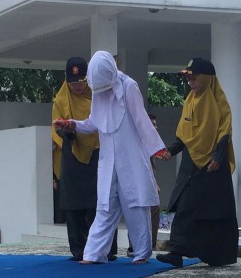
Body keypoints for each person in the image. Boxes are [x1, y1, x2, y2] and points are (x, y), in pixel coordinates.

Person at [54, 51, 164, 264]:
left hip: (130, 158)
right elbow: (94, 122)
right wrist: (72, 124)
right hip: (108, 160)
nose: (102, 94)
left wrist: (156, 148)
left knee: (136, 205)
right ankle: (94, 254)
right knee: (104, 206)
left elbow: (142, 120)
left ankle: (142, 253)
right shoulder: (97, 89)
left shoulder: (129, 86)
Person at [156, 57, 238, 268]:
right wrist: (170, 151)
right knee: (184, 207)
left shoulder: (219, 103)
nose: (191, 83)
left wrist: (218, 158)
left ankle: (217, 256)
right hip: (191, 164)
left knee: (212, 212)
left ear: (207, 78)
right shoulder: (190, 100)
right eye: (189, 79)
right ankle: (176, 252)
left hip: (212, 167)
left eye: (195, 78)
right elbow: (184, 134)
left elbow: (224, 133)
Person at [52, 56, 116, 261]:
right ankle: (79, 250)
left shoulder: (99, 96)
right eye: (72, 83)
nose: (77, 87)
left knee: (101, 204)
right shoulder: (61, 100)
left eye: (80, 82)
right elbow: (57, 129)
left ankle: (106, 249)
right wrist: (68, 132)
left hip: (98, 154)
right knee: (74, 206)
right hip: (72, 154)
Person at [127, 112, 162, 255]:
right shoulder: (135, 141)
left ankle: (149, 245)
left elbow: (151, 166)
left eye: (156, 125)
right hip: (135, 181)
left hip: (148, 181)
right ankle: (134, 247)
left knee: (154, 208)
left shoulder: (150, 141)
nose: (155, 127)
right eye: (152, 125)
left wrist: (154, 183)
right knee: (137, 211)